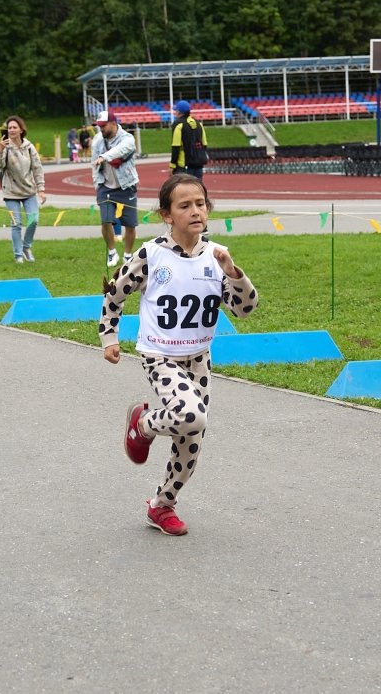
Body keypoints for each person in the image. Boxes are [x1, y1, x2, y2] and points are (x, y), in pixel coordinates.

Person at [99, 174, 258, 536]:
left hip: (199, 359)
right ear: (167, 215)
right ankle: (142, 424)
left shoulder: (217, 257)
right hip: (160, 356)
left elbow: (245, 309)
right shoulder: (151, 254)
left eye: (200, 204)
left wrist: (233, 273)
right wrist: (109, 336)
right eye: (184, 206)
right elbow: (115, 293)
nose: (195, 211)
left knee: (191, 443)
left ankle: (162, 506)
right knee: (191, 417)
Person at [0, 115, 46, 264]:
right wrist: (1, 150)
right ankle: (18, 255)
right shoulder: (5, 147)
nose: (11, 130)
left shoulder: (29, 147)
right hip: (11, 192)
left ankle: (26, 247)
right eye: (9, 128)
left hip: (29, 191)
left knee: (33, 220)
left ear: (21, 130)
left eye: (14, 127)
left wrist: (41, 189)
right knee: (16, 224)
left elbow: (37, 168)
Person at [91, 110, 140, 268]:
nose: (101, 129)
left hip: (126, 185)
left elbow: (120, 150)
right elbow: (93, 164)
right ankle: (112, 252)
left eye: (103, 126)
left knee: (130, 225)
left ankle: (127, 254)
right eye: (99, 126)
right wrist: (96, 184)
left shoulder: (128, 138)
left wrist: (104, 157)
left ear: (113, 124)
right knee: (106, 221)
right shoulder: (97, 141)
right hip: (105, 186)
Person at [169, 99, 209, 181]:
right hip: (198, 164)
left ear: (180, 112)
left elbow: (176, 147)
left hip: (184, 165)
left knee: (184, 191)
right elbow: (204, 144)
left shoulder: (178, 124)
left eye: (176, 110)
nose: (174, 112)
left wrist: (172, 165)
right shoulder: (199, 124)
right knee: (197, 189)